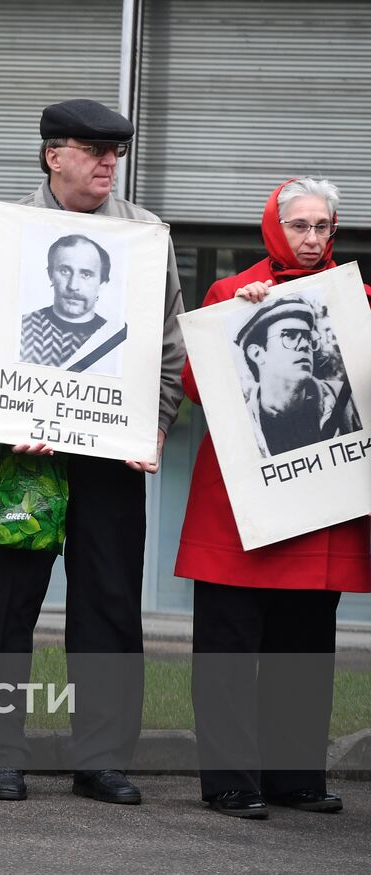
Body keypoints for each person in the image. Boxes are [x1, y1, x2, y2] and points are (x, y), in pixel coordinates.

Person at [0, 98, 185, 806]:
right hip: (23, 453)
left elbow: (168, 354)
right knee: (7, 602)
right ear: (54, 154)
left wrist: (154, 430)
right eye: (93, 150)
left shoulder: (147, 238)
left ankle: (103, 757)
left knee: (109, 603)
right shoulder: (10, 235)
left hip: (111, 456)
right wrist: (4, 414)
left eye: (114, 152)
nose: (108, 162)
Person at [177, 177, 371, 819]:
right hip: (237, 508)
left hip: (321, 510)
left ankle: (297, 778)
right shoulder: (231, 296)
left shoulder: (356, 300)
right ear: (273, 227)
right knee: (229, 643)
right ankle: (230, 781)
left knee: (306, 641)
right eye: (300, 227)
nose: (312, 239)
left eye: (323, 227)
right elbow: (196, 389)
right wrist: (239, 317)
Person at [234, 295, 360, 457]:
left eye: (308, 337)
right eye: (289, 335)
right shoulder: (242, 423)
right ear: (257, 354)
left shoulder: (344, 399)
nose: (304, 345)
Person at [19, 233, 125, 375]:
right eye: (65, 271)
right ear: (50, 275)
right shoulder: (22, 328)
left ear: (102, 283)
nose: (73, 286)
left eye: (86, 274)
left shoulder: (117, 338)